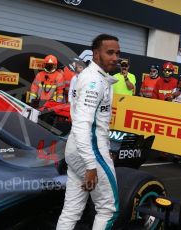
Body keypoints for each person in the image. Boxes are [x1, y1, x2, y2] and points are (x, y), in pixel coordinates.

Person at [57, 34, 120, 230]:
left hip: (77, 148)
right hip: (89, 151)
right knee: (108, 209)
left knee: (71, 210)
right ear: (96, 54)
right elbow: (83, 125)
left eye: (117, 53)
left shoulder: (88, 77)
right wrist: (92, 165)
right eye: (109, 52)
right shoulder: (94, 81)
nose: (115, 57)